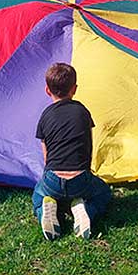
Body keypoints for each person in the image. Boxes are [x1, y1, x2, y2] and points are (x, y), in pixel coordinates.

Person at [32, 63, 111, 241]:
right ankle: (85, 210)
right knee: (104, 193)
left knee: (38, 193)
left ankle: (45, 207)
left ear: (47, 90)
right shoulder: (82, 112)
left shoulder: (45, 116)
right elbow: (87, 144)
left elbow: (46, 157)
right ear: (74, 89)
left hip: (53, 178)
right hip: (81, 179)